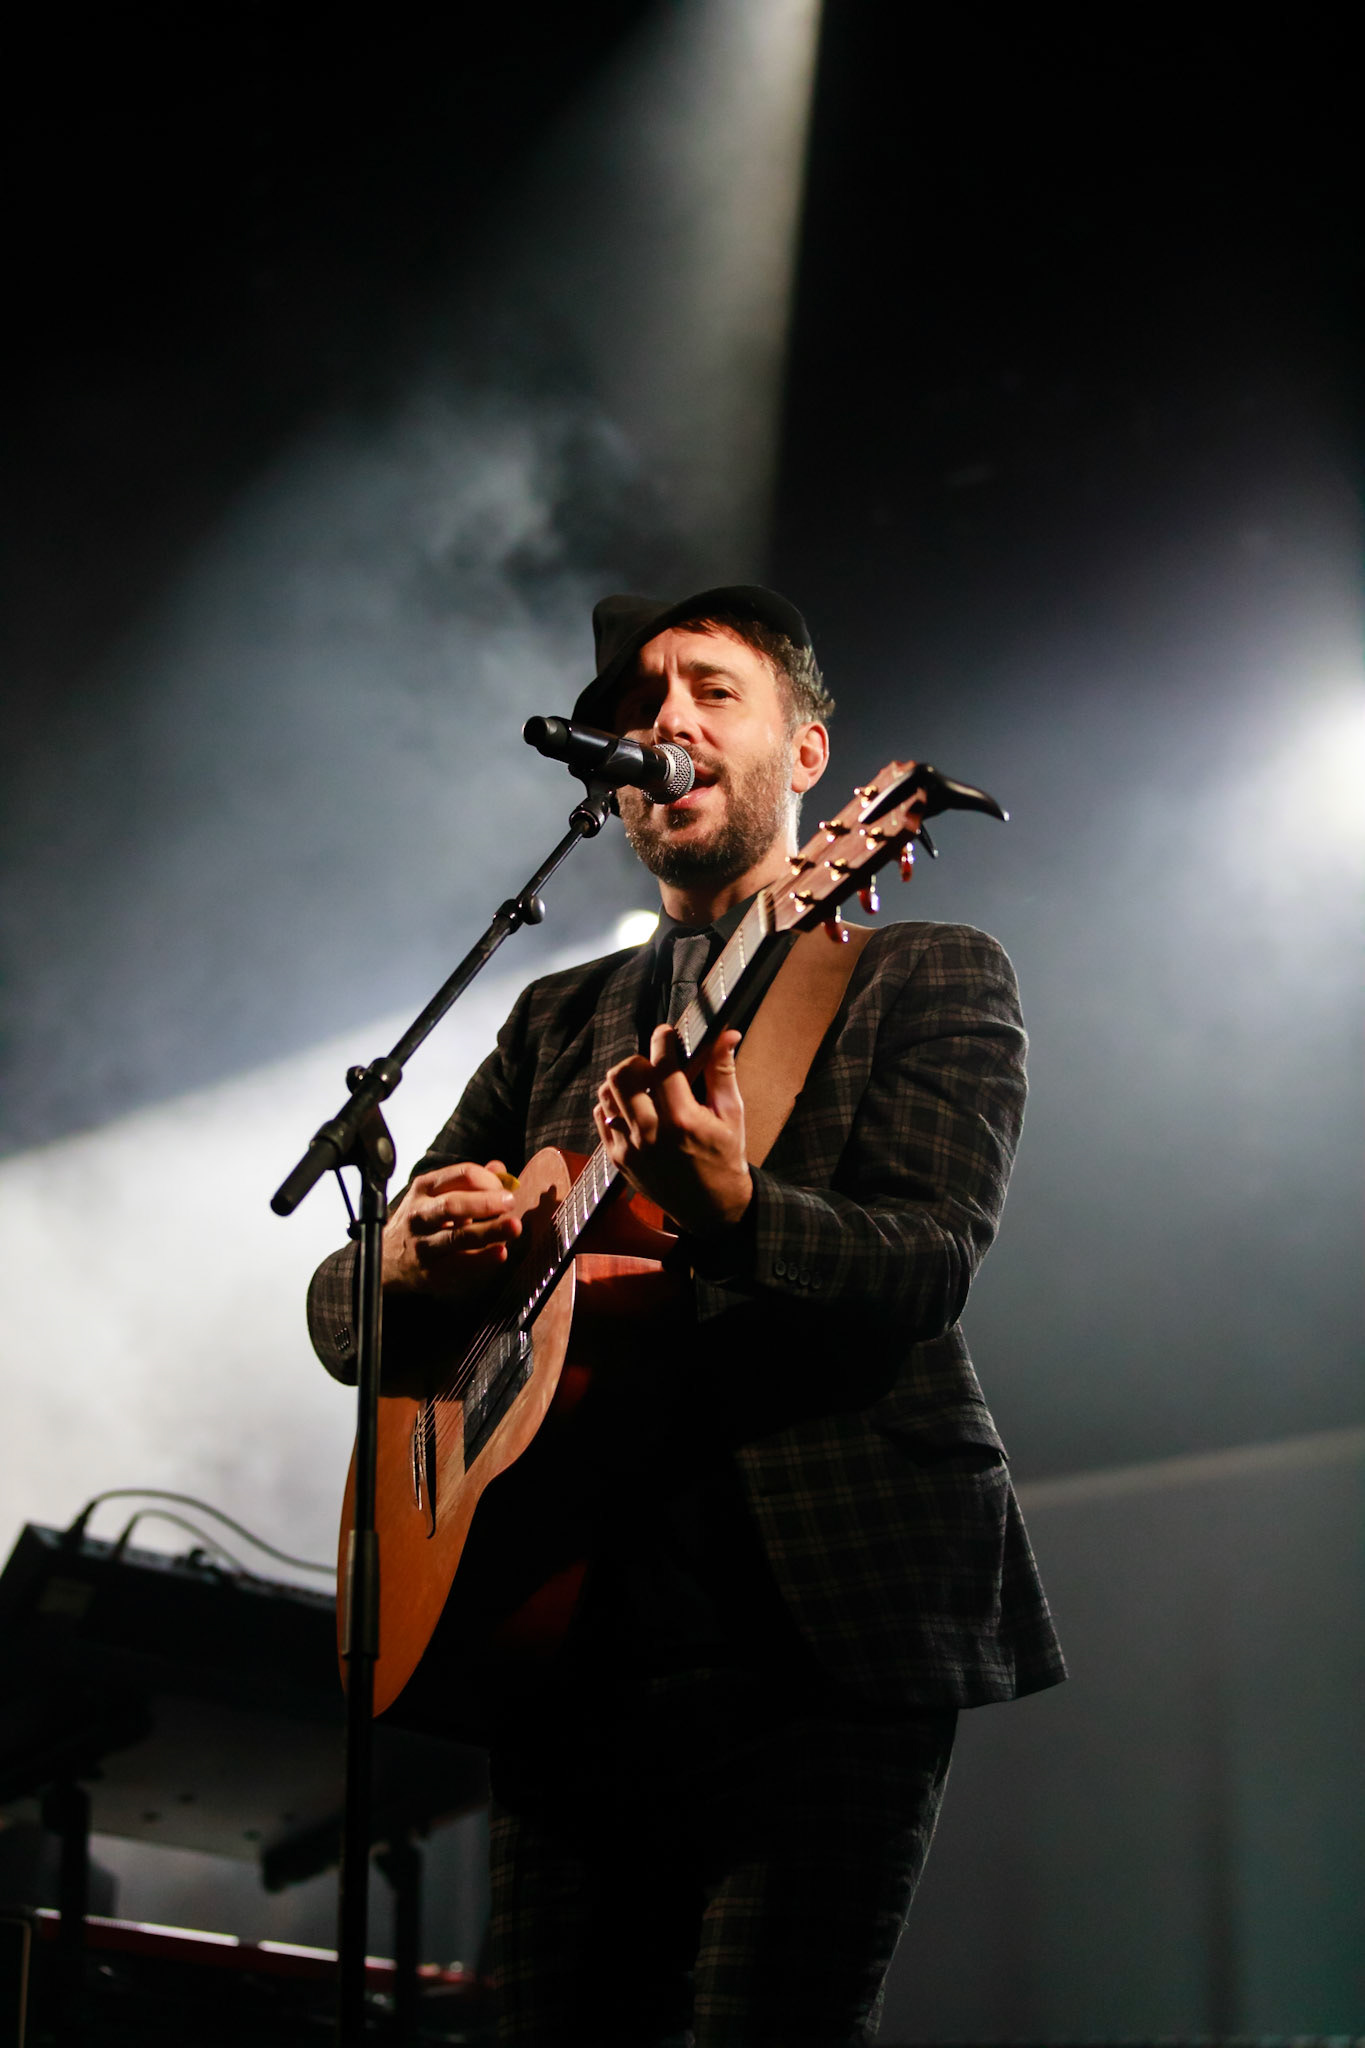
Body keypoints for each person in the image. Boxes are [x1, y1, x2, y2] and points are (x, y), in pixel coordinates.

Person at [307, 584, 1065, 2046]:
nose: (661, 719)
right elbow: (350, 1312)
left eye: (710, 689)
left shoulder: (921, 970)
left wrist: (732, 1211)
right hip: (563, 1640)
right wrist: (415, 1268)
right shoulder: (553, 1019)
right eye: (637, 701)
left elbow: (926, 1263)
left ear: (807, 759)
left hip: (819, 1635)